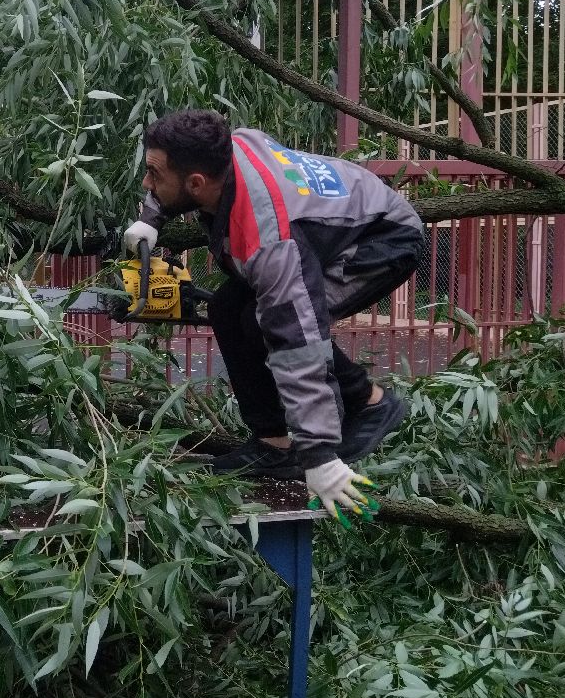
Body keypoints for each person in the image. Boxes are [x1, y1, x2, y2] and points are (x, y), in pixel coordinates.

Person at [123, 108, 424, 521]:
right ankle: (273, 442)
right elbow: (174, 183)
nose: (147, 182)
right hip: (321, 228)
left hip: (381, 239)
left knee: (272, 323)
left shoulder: (270, 239)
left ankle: (371, 403)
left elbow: (299, 339)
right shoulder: (226, 153)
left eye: (154, 174)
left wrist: (319, 456)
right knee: (227, 308)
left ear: (197, 183)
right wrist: (150, 219)